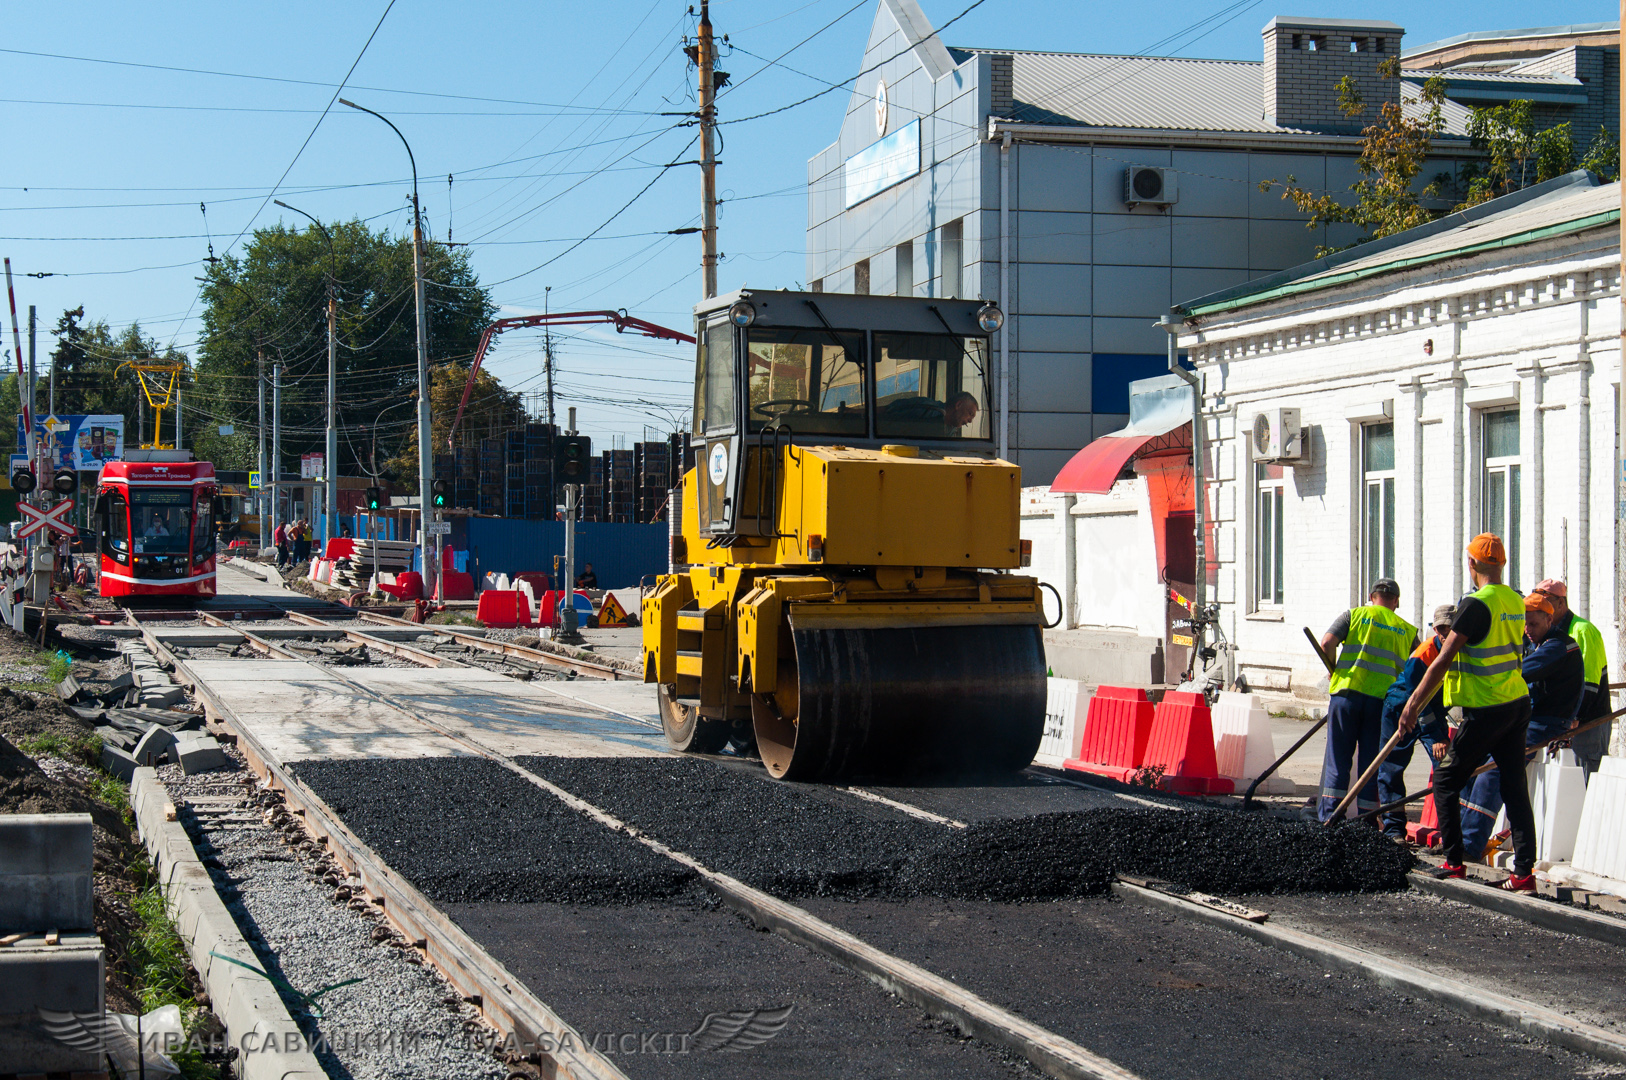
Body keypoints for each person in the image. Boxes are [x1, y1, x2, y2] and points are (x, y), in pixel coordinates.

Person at [1399, 534, 1537, 891]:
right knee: (1514, 787)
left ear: (1471, 563)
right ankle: (1523, 873)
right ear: (1502, 564)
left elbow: (1442, 659)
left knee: (1445, 781)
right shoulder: (1515, 600)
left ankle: (1454, 862)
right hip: (1516, 703)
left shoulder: (1477, 605)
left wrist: (1411, 706)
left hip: (1487, 708)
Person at [1459, 591, 1585, 861]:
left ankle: (1469, 845)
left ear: (1549, 619)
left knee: (1491, 773)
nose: (1527, 630)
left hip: (1546, 724)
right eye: (1524, 625)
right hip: (1531, 718)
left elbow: (1518, 674)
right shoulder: (1541, 643)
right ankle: (1460, 835)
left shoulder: (1556, 647)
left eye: (1533, 624)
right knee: (1472, 761)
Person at [1316, 577, 1418, 822]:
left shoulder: (1354, 616)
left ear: (1372, 597)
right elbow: (1418, 666)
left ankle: (1331, 817)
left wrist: (1333, 668)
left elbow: (1327, 643)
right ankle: (1367, 820)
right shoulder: (1407, 630)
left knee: (1338, 759)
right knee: (1372, 765)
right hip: (1381, 704)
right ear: (1396, 601)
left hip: (1346, 697)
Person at [1376, 604, 1455, 841]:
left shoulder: (1461, 651)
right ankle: (1393, 829)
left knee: (1447, 766)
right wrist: (1436, 735)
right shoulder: (1424, 654)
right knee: (1391, 767)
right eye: (1440, 628)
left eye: (1449, 629)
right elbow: (1415, 700)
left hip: (1432, 708)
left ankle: (1451, 832)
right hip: (1402, 707)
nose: (1444, 634)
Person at [1534, 578, 1611, 776]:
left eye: (1547, 600)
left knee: (1588, 777)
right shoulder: (1552, 634)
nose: (1542, 606)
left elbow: (1589, 683)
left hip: (1588, 722)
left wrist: (1574, 718)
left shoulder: (1582, 630)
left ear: (1561, 603)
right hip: (1566, 722)